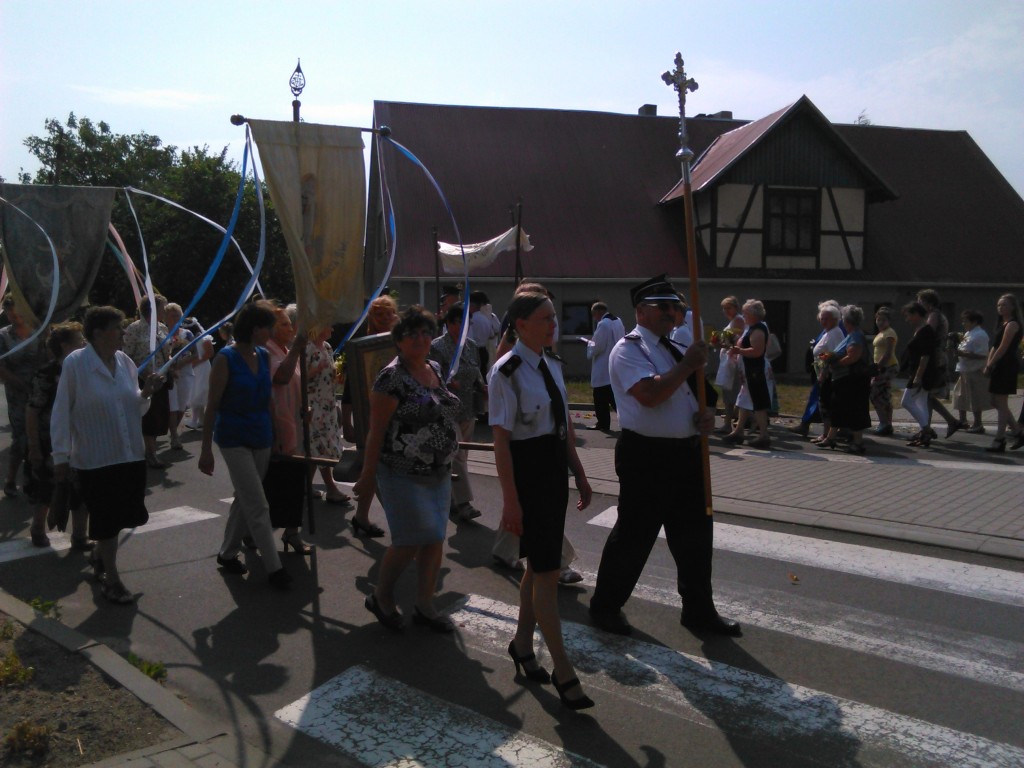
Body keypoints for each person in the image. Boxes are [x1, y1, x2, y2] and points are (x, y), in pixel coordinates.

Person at [590, 275, 740, 641]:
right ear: (641, 311)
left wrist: (702, 418)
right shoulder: (629, 349)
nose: (672, 313)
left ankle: (699, 610)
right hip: (647, 456)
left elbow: (685, 400)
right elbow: (650, 395)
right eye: (664, 307)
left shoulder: (674, 348)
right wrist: (688, 365)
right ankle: (606, 606)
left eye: (676, 307)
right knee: (635, 536)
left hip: (686, 453)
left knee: (695, 537)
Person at [490, 291, 594, 710]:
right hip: (528, 477)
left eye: (555, 316)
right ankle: (564, 670)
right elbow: (501, 444)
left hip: (553, 474)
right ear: (521, 324)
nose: (554, 325)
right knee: (548, 572)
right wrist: (510, 502)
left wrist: (581, 475)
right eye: (546, 318)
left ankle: (521, 644)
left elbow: (563, 428)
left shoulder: (551, 364)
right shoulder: (506, 372)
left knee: (540, 566)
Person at [354, 306, 462, 633]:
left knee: (434, 539)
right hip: (401, 471)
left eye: (426, 332)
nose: (420, 338)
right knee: (409, 541)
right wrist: (368, 475)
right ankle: (381, 595)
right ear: (398, 341)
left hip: (438, 471)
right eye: (412, 333)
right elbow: (376, 429)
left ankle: (425, 605)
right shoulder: (391, 378)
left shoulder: (434, 367)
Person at [50, 306, 166, 604]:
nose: (124, 333)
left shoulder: (125, 362)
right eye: (118, 328)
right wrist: (60, 457)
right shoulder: (76, 364)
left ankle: (100, 557)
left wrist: (147, 394)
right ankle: (112, 580)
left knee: (122, 517)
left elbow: (133, 408)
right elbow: (61, 412)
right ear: (99, 333)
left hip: (129, 456)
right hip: (96, 459)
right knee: (106, 520)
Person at [199, 302, 292, 590]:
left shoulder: (263, 356)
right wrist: (205, 450)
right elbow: (212, 405)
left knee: (245, 496)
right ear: (255, 328)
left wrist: (276, 433)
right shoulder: (226, 359)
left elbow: (267, 399)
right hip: (233, 437)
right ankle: (274, 568)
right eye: (268, 326)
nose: (272, 332)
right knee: (257, 503)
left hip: (261, 435)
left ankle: (227, 553)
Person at [25, 322, 88, 548]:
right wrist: (33, 447)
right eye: (79, 341)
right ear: (64, 346)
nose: (84, 344)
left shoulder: (85, 370)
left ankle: (80, 536)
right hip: (50, 440)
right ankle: (38, 528)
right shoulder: (47, 373)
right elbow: (32, 411)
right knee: (47, 488)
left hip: (80, 438)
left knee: (81, 489)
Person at [262, 301, 312, 554]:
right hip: (278, 427)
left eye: (290, 323)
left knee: (295, 482)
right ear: (269, 329)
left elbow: (293, 384)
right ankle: (253, 532)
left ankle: (292, 532)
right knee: (277, 484)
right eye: (284, 324)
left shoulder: (283, 349)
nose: (290, 327)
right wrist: (297, 350)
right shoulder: (269, 351)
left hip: (293, 423)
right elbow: (280, 378)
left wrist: (304, 408)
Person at [429, 302, 485, 523]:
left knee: (460, 456)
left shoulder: (470, 345)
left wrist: (483, 386)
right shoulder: (438, 346)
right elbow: (433, 374)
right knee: (458, 455)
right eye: (461, 322)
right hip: (447, 409)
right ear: (451, 323)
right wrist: (448, 384)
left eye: (467, 322)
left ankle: (451, 498)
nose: (465, 327)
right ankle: (464, 504)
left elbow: (477, 370)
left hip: (468, 407)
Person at [303, 316, 351, 505]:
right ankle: (331, 488)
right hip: (313, 406)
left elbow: (329, 374)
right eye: (328, 324)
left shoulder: (328, 348)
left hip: (328, 404)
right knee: (320, 446)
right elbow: (298, 378)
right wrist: (316, 370)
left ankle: (305, 486)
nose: (331, 328)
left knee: (318, 447)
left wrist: (337, 375)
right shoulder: (307, 349)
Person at [0, 294, 45, 496]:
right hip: (17, 392)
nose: (13, 319)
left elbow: (46, 356)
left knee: (42, 433)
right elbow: (1, 367)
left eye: (16, 315)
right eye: (10, 316)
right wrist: (21, 384)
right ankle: (10, 479)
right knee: (20, 437)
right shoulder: (3, 336)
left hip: (40, 388)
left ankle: (38, 477)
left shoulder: (38, 330)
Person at [122, 294, 173, 469]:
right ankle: (150, 455)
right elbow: (125, 356)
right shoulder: (134, 329)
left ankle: (150, 451)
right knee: (149, 418)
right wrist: (141, 372)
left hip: (161, 380)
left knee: (160, 417)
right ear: (152, 309)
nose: (165, 312)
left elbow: (167, 351)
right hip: (143, 381)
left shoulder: (163, 328)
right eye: (163, 308)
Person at [816, 305, 871, 454]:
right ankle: (830, 437)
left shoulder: (855, 336)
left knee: (854, 411)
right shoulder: (851, 335)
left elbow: (853, 356)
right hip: (844, 380)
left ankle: (858, 443)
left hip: (852, 380)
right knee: (838, 408)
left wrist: (835, 362)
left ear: (847, 321)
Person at [723, 299, 771, 449]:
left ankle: (764, 435)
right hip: (747, 371)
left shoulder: (758, 329)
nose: (743, 315)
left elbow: (757, 351)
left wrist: (739, 350)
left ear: (753, 314)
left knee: (758, 401)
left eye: (745, 313)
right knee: (744, 399)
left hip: (754, 371)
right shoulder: (751, 327)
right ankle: (738, 431)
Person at [982, 294, 1024, 453]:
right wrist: (988, 362)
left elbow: (1003, 347)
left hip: (1007, 364)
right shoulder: (1001, 323)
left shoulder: (1013, 324)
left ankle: (999, 439)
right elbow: (994, 346)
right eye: (999, 305)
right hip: (999, 364)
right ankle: (1017, 431)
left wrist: (991, 364)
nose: (1001, 308)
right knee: (994, 401)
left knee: (1000, 401)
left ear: (1013, 307)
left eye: (1004, 305)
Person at [917, 289, 961, 439]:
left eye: (920, 301)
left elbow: (928, 333)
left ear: (928, 303)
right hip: (938, 357)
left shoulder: (934, 316)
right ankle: (945, 422)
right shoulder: (936, 315)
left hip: (934, 359)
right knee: (928, 395)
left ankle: (927, 429)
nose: (918, 304)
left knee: (927, 393)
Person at [902, 302, 940, 448]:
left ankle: (926, 430)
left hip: (923, 372)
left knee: (906, 401)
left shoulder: (926, 331)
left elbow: (925, 355)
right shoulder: (920, 330)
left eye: (909, 316)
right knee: (921, 403)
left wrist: (918, 376)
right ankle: (925, 435)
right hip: (919, 371)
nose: (907, 319)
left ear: (917, 314)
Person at [808, 302, 846, 444]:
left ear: (835, 319)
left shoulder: (835, 333)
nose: (824, 321)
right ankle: (825, 434)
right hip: (823, 373)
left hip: (829, 374)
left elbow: (833, 355)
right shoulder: (828, 332)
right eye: (822, 318)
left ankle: (829, 436)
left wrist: (824, 371)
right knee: (823, 404)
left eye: (827, 319)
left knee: (827, 405)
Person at [585, 301, 625, 431]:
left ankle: (603, 423)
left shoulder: (603, 324)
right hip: (615, 362)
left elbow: (597, 346)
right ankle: (626, 419)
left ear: (597, 312)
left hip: (603, 365)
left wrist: (589, 344)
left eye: (593, 315)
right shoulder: (617, 321)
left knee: (600, 397)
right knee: (613, 396)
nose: (594, 318)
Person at [952, 310, 990, 434]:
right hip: (964, 369)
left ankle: (978, 423)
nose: (963, 323)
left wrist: (963, 353)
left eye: (966, 321)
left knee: (975, 397)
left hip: (975, 370)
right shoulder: (969, 333)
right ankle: (963, 420)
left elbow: (982, 355)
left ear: (974, 321)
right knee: (960, 395)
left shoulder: (980, 335)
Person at [712, 296, 746, 434]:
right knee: (729, 392)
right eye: (724, 308)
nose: (726, 311)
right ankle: (731, 421)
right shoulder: (734, 320)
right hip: (729, 359)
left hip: (733, 361)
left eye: (728, 308)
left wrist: (720, 342)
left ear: (735, 308)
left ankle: (729, 423)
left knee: (731, 392)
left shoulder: (738, 320)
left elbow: (735, 341)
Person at [163, 303, 195, 451]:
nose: (176, 318)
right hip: (169, 374)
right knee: (172, 405)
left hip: (185, 372)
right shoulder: (162, 334)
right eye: (172, 315)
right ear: (165, 318)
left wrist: (181, 363)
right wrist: (171, 366)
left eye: (178, 315)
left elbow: (196, 354)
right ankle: (175, 436)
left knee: (182, 405)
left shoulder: (187, 334)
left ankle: (173, 430)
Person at [869, 307, 899, 436]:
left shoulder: (890, 333)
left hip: (888, 366)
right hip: (881, 366)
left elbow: (887, 353)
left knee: (874, 393)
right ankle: (888, 424)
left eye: (883, 320)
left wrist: (877, 368)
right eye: (878, 319)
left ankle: (884, 422)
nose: (880, 322)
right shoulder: (880, 333)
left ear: (889, 321)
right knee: (885, 395)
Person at [185, 319, 215, 430]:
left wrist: (195, 362)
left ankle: (195, 420)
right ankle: (201, 420)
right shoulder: (189, 338)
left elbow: (210, 353)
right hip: (194, 368)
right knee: (194, 391)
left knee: (199, 392)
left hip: (202, 367)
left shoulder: (203, 338)